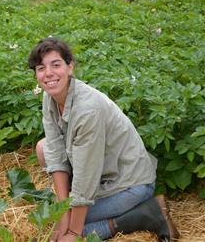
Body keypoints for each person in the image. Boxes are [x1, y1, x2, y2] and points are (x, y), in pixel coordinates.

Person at [28, 38, 180, 242]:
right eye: (41, 68)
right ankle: (81, 217)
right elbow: (55, 152)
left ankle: (148, 214)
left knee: (75, 227)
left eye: (56, 65)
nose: (48, 74)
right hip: (100, 174)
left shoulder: (87, 109)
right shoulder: (50, 96)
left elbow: (85, 176)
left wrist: (72, 231)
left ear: (70, 67)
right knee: (44, 152)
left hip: (128, 183)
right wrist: (62, 214)